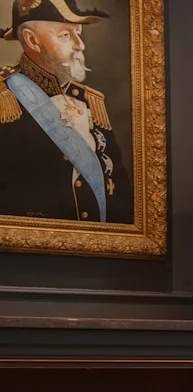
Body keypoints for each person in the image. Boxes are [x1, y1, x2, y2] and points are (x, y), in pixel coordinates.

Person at [0, 0, 131, 224]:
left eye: (78, 33)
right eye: (65, 35)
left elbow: (118, 191)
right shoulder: (5, 98)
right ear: (32, 40)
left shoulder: (91, 101)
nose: (80, 45)